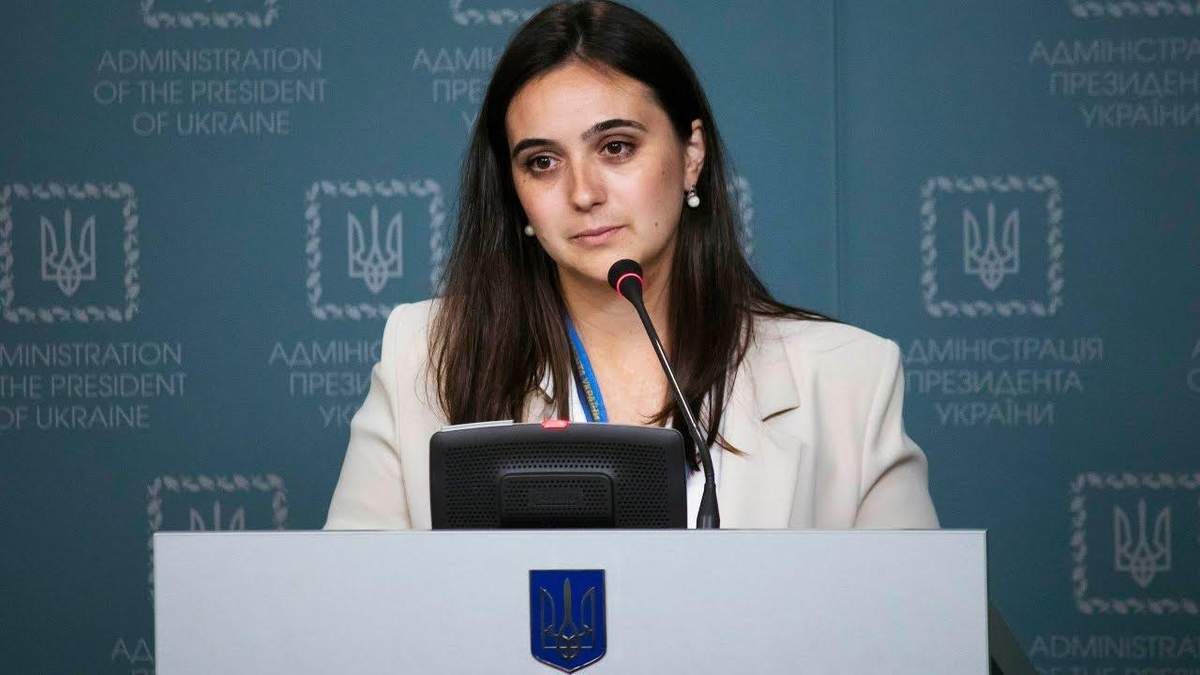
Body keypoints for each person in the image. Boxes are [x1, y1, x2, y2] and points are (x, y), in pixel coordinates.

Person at [324, 0, 937, 530]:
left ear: (691, 155)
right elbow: (353, 603)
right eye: (542, 162)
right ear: (514, 192)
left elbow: (909, 616)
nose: (583, 192)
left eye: (616, 147)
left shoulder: (848, 379)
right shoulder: (421, 355)